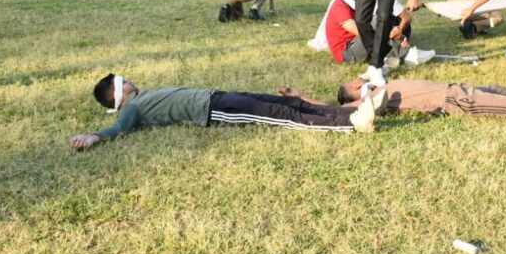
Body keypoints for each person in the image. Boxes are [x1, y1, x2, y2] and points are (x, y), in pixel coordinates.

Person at [68, 73, 386, 150]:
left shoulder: (144, 97)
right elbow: (118, 129)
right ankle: (352, 125)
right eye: (124, 82)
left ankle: (350, 112)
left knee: (285, 103)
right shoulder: (131, 110)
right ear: (118, 94)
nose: (130, 81)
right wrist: (95, 136)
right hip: (215, 110)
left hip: (217, 96)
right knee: (280, 115)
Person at [280, 77, 506, 126]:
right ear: (354, 92)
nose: (360, 81)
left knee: (498, 90)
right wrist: (300, 98)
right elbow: (331, 111)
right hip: (455, 101)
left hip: (456, 88)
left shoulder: (382, 84)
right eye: (355, 85)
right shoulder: (367, 102)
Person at [314, 0, 433, 66]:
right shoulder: (339, 7)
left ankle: (391, 57)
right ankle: (407, 54)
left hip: (356, 43)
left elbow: (405, 18)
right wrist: (394, 36)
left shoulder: (353, 1)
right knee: (377, 21)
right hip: (347, 53)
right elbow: (361, 32)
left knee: (385, 19)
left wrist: (395, 34)